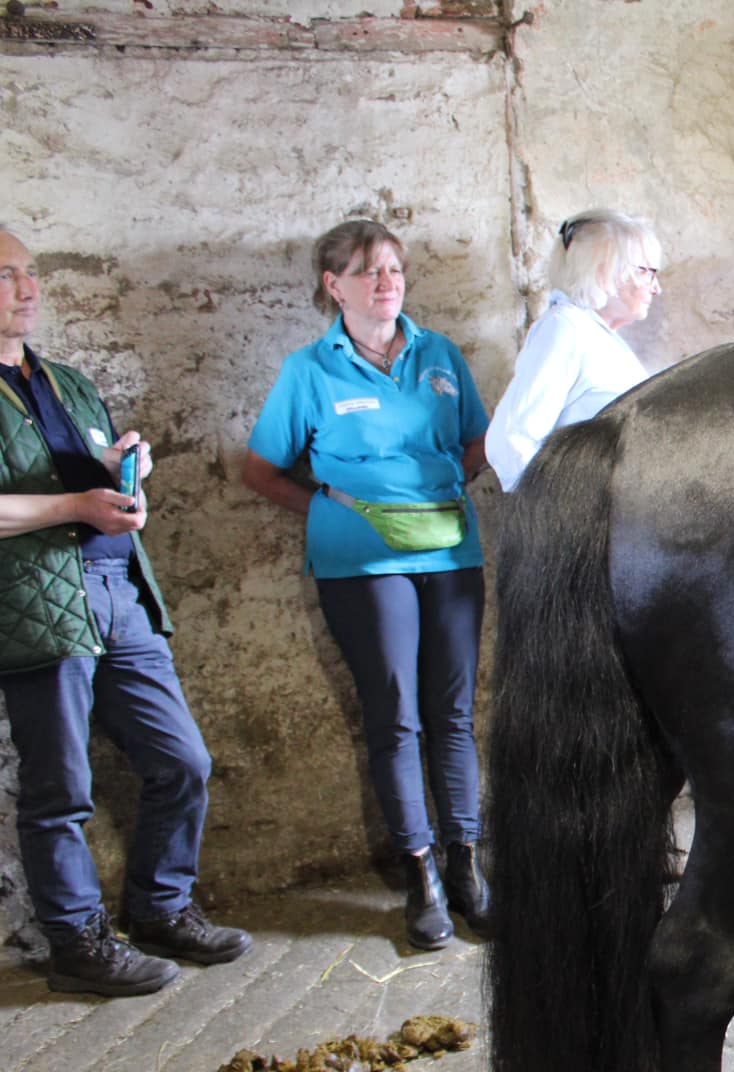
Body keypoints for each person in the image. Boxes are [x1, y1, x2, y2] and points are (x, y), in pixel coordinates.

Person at [0, 227, 250, 996]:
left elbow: (90, 472)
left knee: (182, 762)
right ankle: (77, 941)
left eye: (31, 273)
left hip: (117, 594)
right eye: (7, 276)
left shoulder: (67, 381)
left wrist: (119, 474)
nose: (28, 288)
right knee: (59, 791)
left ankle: (160, 906)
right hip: (38, 608)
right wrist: (76, 502)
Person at [242, 220, 492, 950]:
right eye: (369, 270)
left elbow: (477, 437)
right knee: (396, 714)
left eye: (394, 269)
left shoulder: (438, 354)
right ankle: (419, 877)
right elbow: (262, 470)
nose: (387, 282)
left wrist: (447, 485)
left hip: (449, 551)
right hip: (363, 564)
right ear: (334, 285)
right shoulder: (310, 371)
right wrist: (329, 514)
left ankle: (467, 864)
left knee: (453, 710)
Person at [485, 210, 663, 491]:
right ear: (604, 269)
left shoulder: (597, 335)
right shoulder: (565, 328)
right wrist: (561, 512)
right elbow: (510, 440)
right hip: (586, 518)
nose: (656, 288)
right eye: (645, 271)